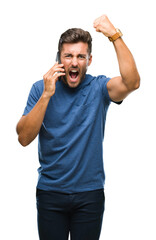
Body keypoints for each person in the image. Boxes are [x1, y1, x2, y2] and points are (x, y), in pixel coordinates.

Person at [16, 15, 140, 240]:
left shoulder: (99, 87)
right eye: (68, 56)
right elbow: (23, 138)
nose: (74, 62)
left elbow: (132, 83)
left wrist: (114, 35)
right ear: (59, 59)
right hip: (50, 194)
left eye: (81, 56)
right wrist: (46, 95)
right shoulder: (40, 88)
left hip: (89, 195)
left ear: (89, 60)